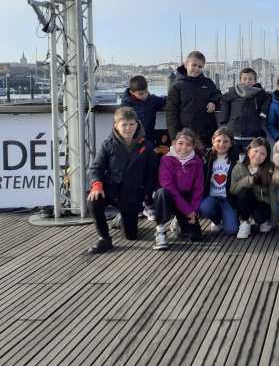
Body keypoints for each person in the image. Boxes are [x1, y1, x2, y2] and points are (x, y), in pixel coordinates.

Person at [86, 107, 158, 254]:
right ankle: (104, 238)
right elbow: (95, 168)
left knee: (131, 236)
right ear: (116, 126)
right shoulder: (108, 144)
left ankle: (121, 219)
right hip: (111, 191)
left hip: (132, 195)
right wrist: (97, 184)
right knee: (94, 200)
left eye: (131, 124)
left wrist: (147, 195)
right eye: (124, 124)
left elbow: (152, 173)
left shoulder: (147, 146)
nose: (128, 128)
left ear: (137, 124)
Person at [119, 74, 167, 220]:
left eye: (146, 92)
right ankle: (135, 205)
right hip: (131, 145)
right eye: (141, 93)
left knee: (150, 173)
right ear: (132, 92)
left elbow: (166, 100)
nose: (145, 95)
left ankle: (148, 204)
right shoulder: (125, 106)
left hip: (149, 143)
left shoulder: (152, 100)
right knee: (134, 176)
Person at [152, 128, 205, 250]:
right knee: (161, 193)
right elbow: (168, 185)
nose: (184, 147)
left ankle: (178, 222)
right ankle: (160, 231)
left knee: (195, 236)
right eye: (180, 143)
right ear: (174, 143)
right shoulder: (166, 159)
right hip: (171, 198)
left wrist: (193, 212)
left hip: (186, 199)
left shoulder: (197, 161)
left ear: (193, 146)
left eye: (188, 145)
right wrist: (187, 210)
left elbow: (198, 188)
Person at [165, 51, 223, 148]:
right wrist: (175, 138)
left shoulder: (208, 83)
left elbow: (217, 94)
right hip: (185, 135)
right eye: (194, 65)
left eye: (200, 66)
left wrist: (213, 102)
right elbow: (171, 115)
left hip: (207, 133)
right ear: (186, 65)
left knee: (206, 157)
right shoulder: (176, 87)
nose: (196, 69)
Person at [230, 137, 277, 239]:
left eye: (263, 154)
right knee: (244, 192)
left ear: (266, 156)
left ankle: (263, 221)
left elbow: (273, 194)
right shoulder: (238, 167)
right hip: (245, 201)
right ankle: (245, 223)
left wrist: (273, 219)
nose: (258, 155)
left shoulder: (270, 169)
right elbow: (232, 189)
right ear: (248, 152)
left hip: (262, 202)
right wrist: (245, 181)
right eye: (255, 151)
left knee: (260, 217)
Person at [198, 127, 241, 235]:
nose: (222, 144)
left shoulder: (237, 158)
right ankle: (217, 220)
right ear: (213, 141)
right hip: (212, 197)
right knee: (204, 208)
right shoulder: (207, 158)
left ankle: (230, 216)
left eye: (226, 141)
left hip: (228, 199)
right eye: (218, 141)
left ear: (231, 143)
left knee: (232, 230)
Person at [219, 67, 271, 150]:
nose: (247, 81)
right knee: (233, 156)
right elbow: (223, 99)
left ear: (255, 81)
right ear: (240, 80)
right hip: (234, 134)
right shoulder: (233, 92)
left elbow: (269, 97)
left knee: (249, 157)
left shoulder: (259, 93)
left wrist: (264, 110)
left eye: (251, 79)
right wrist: (224, 119)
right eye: (244, 79)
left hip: (252, 135)